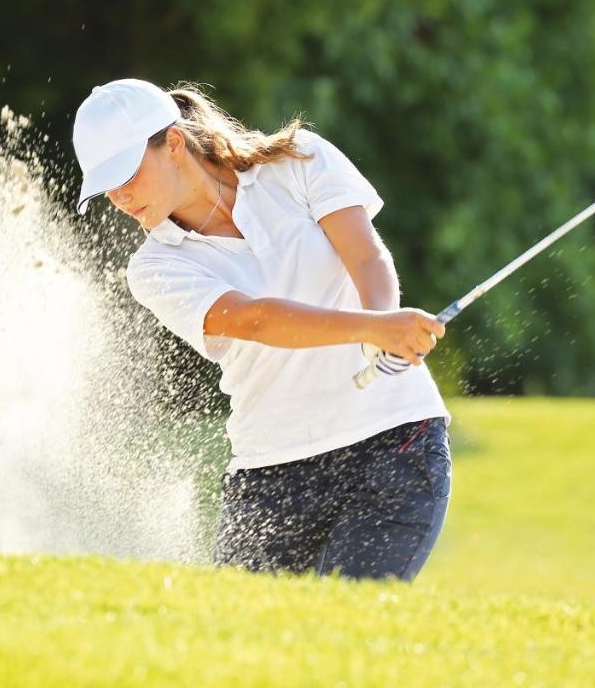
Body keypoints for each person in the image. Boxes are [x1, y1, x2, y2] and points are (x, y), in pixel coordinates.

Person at [72, 78, 451, 581]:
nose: (119, 197)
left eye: (127, 175)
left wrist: (380, 326)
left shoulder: (299, 161)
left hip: (393, 446)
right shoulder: (154, 266)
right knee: (241, 644)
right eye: (106, 187)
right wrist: (373, 328)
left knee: (348, 625)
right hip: (272, 474)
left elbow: (365, 256)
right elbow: (254, 320)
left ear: (175, 144)